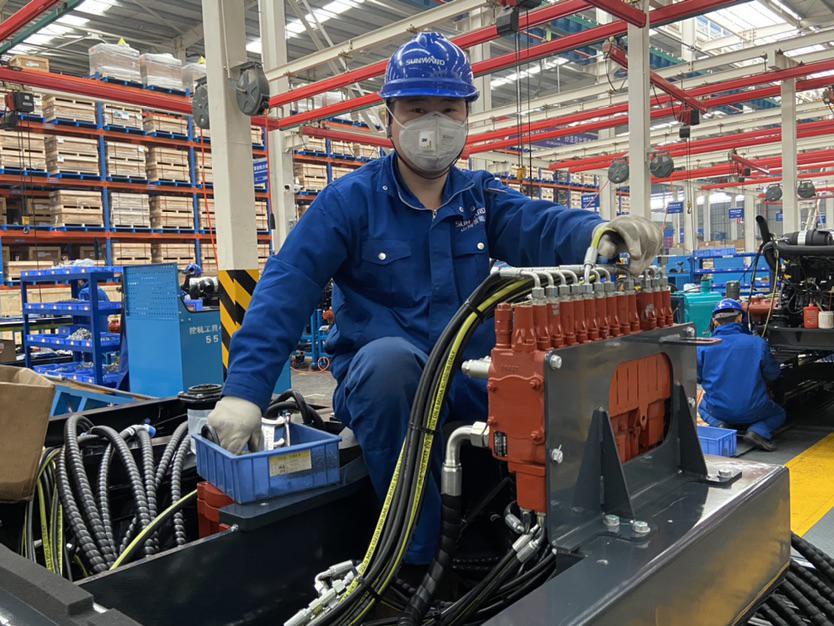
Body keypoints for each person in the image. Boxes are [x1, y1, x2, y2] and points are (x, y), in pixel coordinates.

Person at [208, 32, 662, 564]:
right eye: (416, 108)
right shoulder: (348, 204)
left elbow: (540, 224)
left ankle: (549, 537)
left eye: (448, 109)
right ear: (389, 119)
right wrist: (245, 392)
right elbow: (288, 286)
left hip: (470, 380)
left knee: (549, 376)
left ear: (467, 116)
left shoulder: (480, 198)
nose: (434, 124)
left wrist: (603, 232)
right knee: (389, 366)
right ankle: (416, 561)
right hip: (388, 391)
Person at [697, 298, 785, 451]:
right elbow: (773, 374)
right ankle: (758, 431)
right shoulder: (758, 343)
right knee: (779, 413)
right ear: (739, 318)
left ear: (715, 322)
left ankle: (720, 426)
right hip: (755, 411)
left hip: (719, 411)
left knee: (702, 407)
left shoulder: (703, 346)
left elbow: (698, 377)